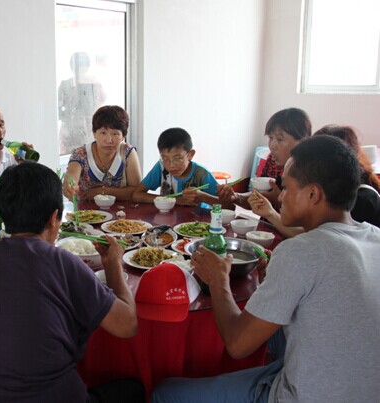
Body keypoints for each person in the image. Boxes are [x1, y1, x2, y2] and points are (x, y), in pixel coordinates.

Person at [151, 135, 380, 402]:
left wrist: (218, 280)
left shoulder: (301, 251)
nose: (280, 197)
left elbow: (237, 344)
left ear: (313, 194)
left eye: (287, 188)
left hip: (304, 396)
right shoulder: (375, 237)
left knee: (164, 393)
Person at [0, 162, 144, 403]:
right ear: (54, 219)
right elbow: (127, 325)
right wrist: (113, 263)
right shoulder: (63, 262)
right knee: (133, 390)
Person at [250, 126, 380, 236]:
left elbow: (323, 239)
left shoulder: (362, 200)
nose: (273, 146)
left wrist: (273, 212)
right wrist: (270, 212)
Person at [218, 107, 311, 210]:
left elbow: (308, 217)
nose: (272, 146)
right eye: (270, 138)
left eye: (280, 139)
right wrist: (236, 197)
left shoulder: (308, 172)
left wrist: (279, 201)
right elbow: (259, 195)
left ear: (302, 142)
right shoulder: (272, 161)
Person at [63, 105, 142, 201]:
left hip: (123, 210)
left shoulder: (127, 153)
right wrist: (69, 184)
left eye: (115, 134)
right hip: (87, 210)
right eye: (103, 133)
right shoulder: (81, 154)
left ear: (123, 136)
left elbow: (137, 192)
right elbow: (71, 175)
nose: (109, 140)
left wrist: (102, 191)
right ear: (94, 133)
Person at [132, 127, 218, 206]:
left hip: (197, 217)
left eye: (178, 158)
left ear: (190, 155)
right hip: (166, 217)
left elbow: (225, 204)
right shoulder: (161, 167)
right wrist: (176, 200)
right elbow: (137, 195)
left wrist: (203, 197)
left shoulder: (202, 174)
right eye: (165, 158)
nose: (171, 165)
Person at [58, 51, 107, 154]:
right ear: (72, 66)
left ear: (87, 66)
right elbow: (57, 109)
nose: (80, 68)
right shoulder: (65, 84)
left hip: (89, 130)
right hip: (70, 132)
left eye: (83, 64)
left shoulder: (94, 84)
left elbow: (100, 104)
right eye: (78, 65)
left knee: (89, 155)